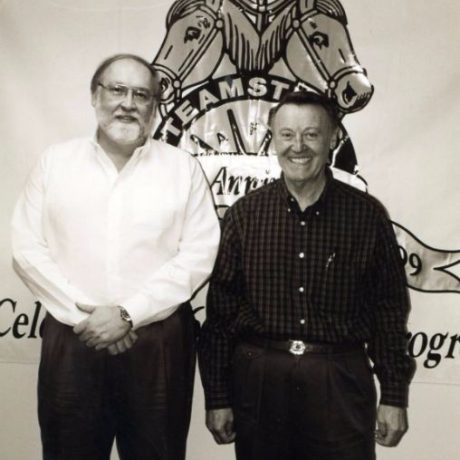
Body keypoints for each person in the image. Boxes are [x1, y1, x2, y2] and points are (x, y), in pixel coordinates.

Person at [11, 53, 220, 460]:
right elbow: (26, 248)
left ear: (155, 108)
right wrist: (87, 319)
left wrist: (126, 313)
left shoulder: (183, 168)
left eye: (141, 94)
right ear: (95, 96)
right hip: (73, 340)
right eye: (117, 90)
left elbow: (198, 255)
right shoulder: (55, 162)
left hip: (157, 344)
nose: (128, 103)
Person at [198, 91, 415, 460]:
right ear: (273, 138)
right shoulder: (244, 215)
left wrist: (393, 395)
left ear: (332, 139)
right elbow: (220, 316)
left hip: (340, 378)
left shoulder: (366, 216)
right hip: (261, 379)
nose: (298, 146)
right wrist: (217, 397)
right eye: (287, 135)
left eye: (311, 134)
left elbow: (389, 311)